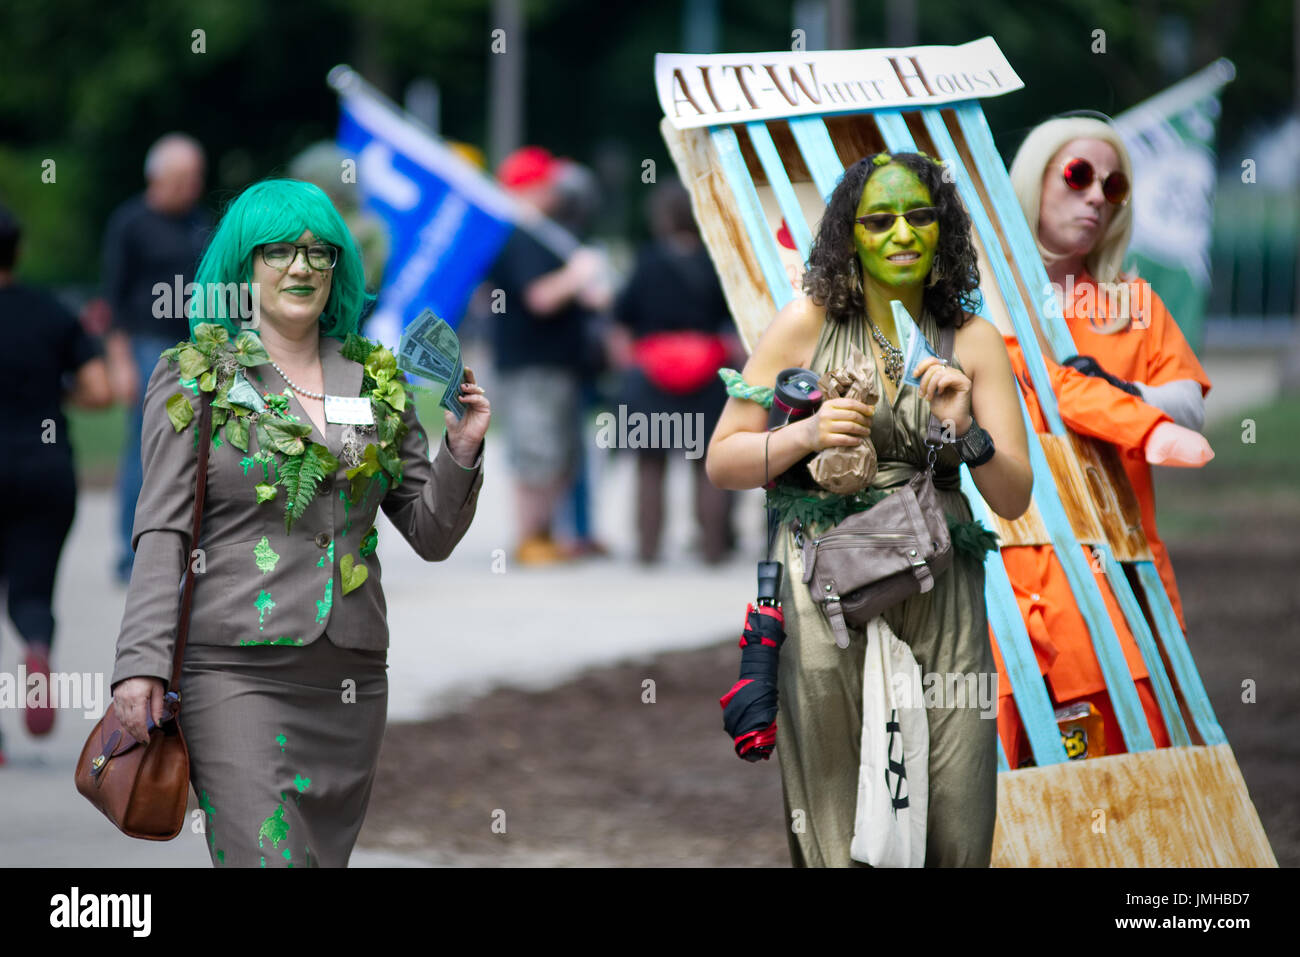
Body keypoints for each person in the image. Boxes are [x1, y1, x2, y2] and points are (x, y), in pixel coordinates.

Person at [110, 179, 489, 867]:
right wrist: (139, 666)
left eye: (319, 253)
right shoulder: (194, 377)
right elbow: (162, 532)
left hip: (349, 680)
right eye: (278, 250)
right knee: (268, 858)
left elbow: (430, 535)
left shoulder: (377, 379)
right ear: (242, 267)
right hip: (233, 671)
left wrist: (459, 449)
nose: (301, 267)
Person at [706, 152, 1033, 866]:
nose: (901, 234)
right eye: (878, 220)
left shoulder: (972, 340)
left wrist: (965, 430)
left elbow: (1013, 496)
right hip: (825, 567)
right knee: (830, 794)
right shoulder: (807, 323)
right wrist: (804, 432)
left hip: (940, 565)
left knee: (959, 790)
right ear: (848, 236)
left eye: (919, 216)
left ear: (942, 230)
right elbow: (723, 457)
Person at [990, 117, 1215, 764]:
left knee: (1123, 758)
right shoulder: (982, 295)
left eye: (1112, 186)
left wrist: (1118, 392)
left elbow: (1188, 410)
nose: (1095, 196)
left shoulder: (1129, 300)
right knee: (1005, 767)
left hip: (1114, 563)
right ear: (1033, 179)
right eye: (1078, 175)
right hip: (1005, 568)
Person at [0, 204, 112, 762]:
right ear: (16, 252)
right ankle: (38, 648)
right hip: (45, 472)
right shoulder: (52, 313)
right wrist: (54, 391)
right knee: (32, 590)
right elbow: (101, 391)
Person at [488, 146, 612, 565]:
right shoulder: (517, 234)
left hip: (556, 361)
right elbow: (539, 297)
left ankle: (544, 535)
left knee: (558, 451)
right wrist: (577, 276)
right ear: (533, 188)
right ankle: (529, 538)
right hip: (531, 363)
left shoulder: (543, 232)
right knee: (535, 450)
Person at [102, 133, 211, 584]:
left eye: (196, 178)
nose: (191, 187)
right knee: (145, 451)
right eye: (183, 178)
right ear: (157, 177)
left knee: (197, 450)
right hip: (147, 348)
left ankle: (187, 549)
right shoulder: (130, 222)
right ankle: (132, 555)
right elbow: (111, 298)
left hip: (196, 349)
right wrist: (119, 361)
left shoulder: (199, 224)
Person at [612, 178, 740, 563]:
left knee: (650, 465)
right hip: (708, 376)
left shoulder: (647, 261)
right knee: (710, 465)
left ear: (662, 219)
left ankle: (648, 551)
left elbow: (622, 317)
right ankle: (714, 550)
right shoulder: (716, 260)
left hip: (651, 376)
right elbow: (734, 322)